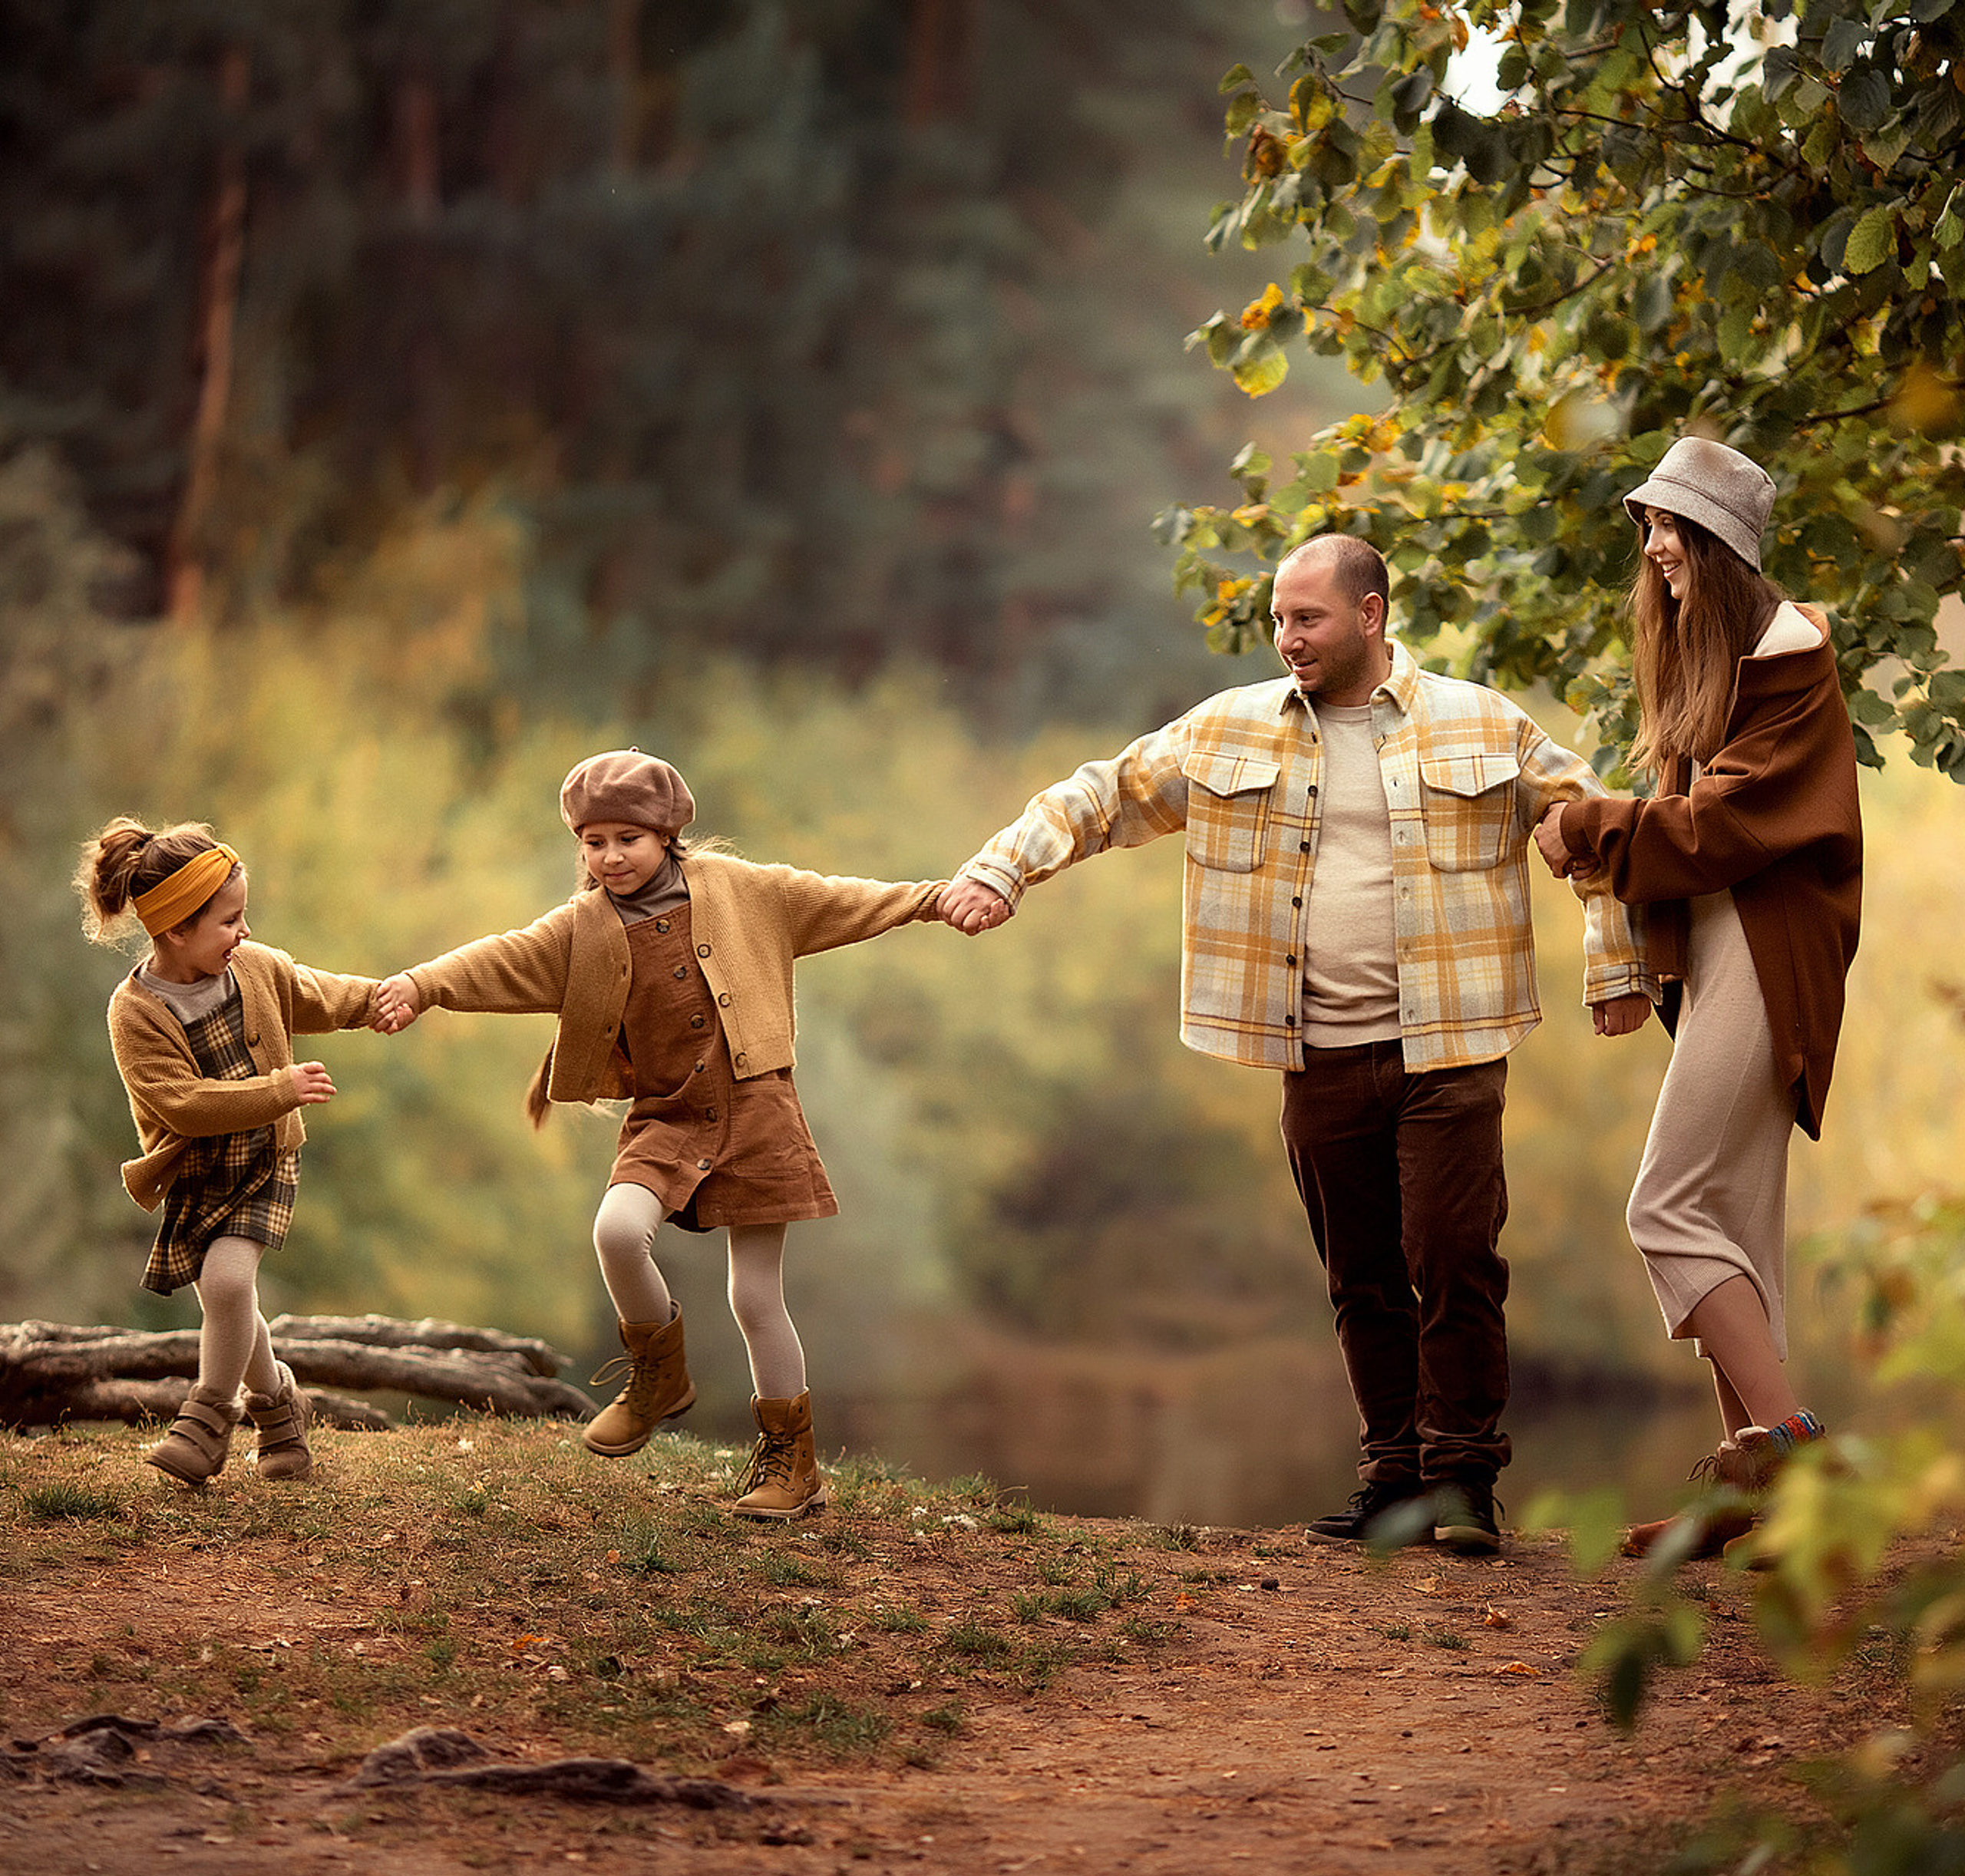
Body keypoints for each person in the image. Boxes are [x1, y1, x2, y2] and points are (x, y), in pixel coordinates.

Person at [941, 534, 1653, 1552]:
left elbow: (1593, 828)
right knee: (1358, 1274)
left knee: (1453, 1261)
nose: (1287, 639)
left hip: (1449, 1046)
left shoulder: (1482, 723)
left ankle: (1463, 1485)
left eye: (1307, 619)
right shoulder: (1232, 728)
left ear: (1368, 616)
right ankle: (1394, 1482)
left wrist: (1616, 965)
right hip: (1315, 1051)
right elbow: (1100, 795)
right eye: (1278, 620)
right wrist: (1002, 869)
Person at [372, 750, 946, 1523]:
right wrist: (420, 984)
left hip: (757, 1109)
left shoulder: (746, 891)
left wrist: (937, 899)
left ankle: (792, 1462)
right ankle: (657, 1375)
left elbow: (841, 899)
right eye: (594, 841)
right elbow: (501, 957)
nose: (609, 856)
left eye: (627, 840)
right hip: (666, 1114)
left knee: (754, 1295)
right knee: (617, 1230)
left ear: (668, 834)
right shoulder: (582, 929)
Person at [1533, 437, 1861, 1557]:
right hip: (1728, 947)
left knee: (1665, 1208)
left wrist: (1585, 825)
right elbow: (1691, 827)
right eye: (1649, 524)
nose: (1655, 545)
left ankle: (1792, 1452)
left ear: (1722, 543)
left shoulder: (1785, 656)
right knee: (1733, 1228)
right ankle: (1749, 1499)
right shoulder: (1713, 656)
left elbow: (1719, 831)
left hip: (1772, 954)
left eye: (1672, 526)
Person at [78, 818, 385, 1486]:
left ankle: (207, 1419)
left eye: (244, 916)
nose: (244, 931)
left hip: (267, 1158)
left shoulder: (254, 967)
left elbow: (319, 993)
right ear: (175, 931)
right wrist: (280, 1086)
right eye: (229, 920)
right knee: (230, 1303)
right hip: (199, 1170)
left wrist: (382, 999)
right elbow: (183, 1104)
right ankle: (281, 1419)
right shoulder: (134, 1012)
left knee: (224, 1285)